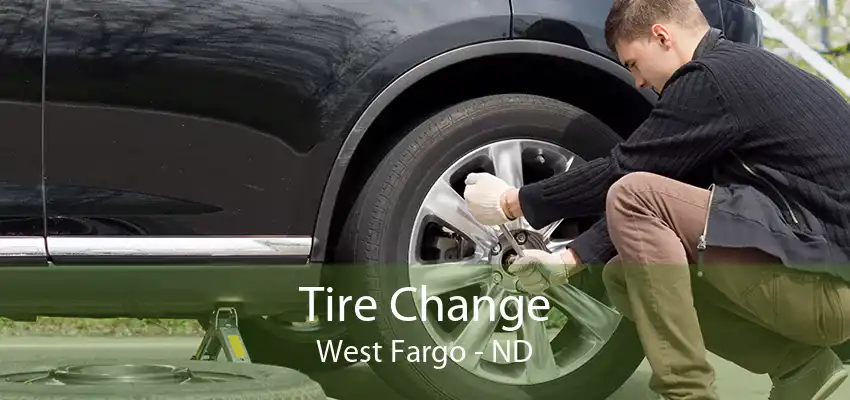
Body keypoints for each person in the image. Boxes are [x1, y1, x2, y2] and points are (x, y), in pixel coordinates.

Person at [462, 0, 850, 399]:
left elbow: (624, 172)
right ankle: (803, 367)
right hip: (819, 282)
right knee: (623, 275)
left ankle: (687, 393)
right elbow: (669, 181)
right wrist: (568, 259)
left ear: (662, 36)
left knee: (633, 194)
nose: (639, 83)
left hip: (826, 292)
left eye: (632, 64)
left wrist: (514, 201)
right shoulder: (739, 73)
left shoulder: (710, 81)